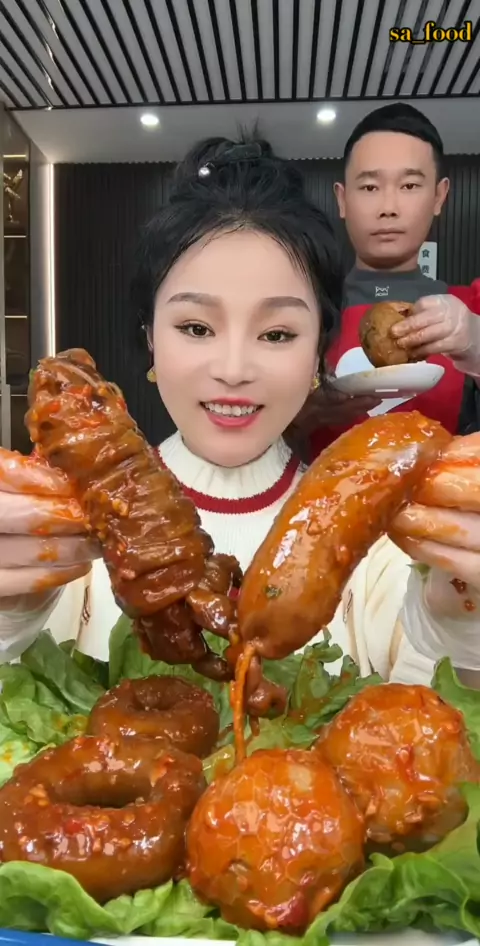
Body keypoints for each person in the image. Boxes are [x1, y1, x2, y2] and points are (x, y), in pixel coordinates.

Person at [0, 134, 479, 695]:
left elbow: (436, 711)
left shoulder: (385, 542)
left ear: (318, 352)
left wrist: (460, 625)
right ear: (150, 336)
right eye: (196, 327)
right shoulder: (58, 526)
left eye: (276, 334)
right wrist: (9, 620)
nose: (233, 369)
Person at [299, 103, 480, 458]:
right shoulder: (300, 312)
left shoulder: (470, 305)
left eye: (409, 185)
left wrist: (476, 343)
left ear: (439, 196)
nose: (388, 207)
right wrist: (297, 420)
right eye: (369, 187)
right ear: (342, 199)